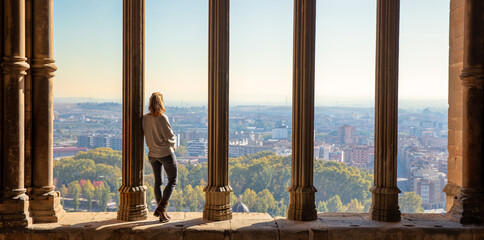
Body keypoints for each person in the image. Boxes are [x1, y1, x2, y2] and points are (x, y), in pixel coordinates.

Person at [142, 92, 177, 222]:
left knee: (158, 183)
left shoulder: (145, 118)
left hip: (152, 155)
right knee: (173, 180)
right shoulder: (162, 118)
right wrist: (173, 144)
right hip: (165, 153)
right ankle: (162, 208)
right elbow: (170, 135)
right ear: (161, 103)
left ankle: (162, 213)